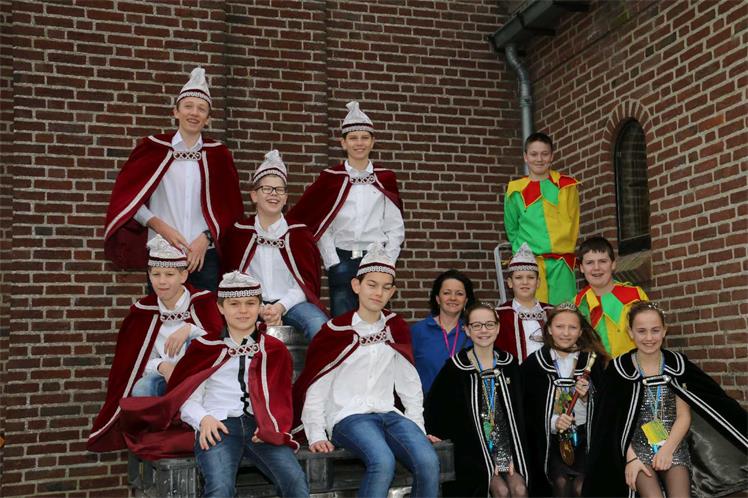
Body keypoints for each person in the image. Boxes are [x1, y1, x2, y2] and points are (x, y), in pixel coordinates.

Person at [120, 271, 309, 497]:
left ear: (260, 306)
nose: (243, 310)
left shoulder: (274, 350)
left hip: (260, 428)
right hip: (218, 425)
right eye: (234, 304)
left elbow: (282, 397)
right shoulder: (205, 348)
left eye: (250, 303)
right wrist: (203, 419)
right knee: (220, 488)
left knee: (295, 481)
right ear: (220, 307)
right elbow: (186, 398)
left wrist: (272, 425)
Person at [293, 243, 440, 498]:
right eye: (372, 285)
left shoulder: (395, 328)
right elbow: (317, 385)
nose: (378, 292)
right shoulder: (334, 331)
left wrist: (418, 427)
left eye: (385, 287)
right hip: (349, 417)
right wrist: (316, 433)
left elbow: (408, 383)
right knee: (382, 461)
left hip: (389, 413)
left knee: (428, 461)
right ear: (356, 286)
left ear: (392, 291)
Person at [583, 301, 748, 497]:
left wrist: (667, 450)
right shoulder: (619, 370)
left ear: (664, 331)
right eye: (641, 331)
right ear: (631, 333)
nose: (649, 338)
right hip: (635, 449)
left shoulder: (676, 365)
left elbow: (684, 416)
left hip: (672, 445)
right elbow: (610, 425)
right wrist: (631, 458)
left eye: (655, 330)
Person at [103, 66, 244, 292]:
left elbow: (230, 209)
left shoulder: (219, 155)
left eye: (201, 109)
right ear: (176, 112)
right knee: (161, 313)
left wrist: (206, 238)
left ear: (208, 118)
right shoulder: (152, 148)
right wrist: (158, 225)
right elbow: (129, 199)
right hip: (162, 254)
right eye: (188, 106)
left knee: (206, 314)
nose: (194, 113)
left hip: (203, 256)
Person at [87, 235, 223, 453]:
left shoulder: (203, 302)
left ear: (183, 275)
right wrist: (162, 366)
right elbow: (137, 362)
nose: (162, 281)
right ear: (149, 276)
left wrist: (189, 329)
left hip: (199, 378)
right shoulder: (142, 311)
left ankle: (193, 426)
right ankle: (157, 439)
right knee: (142, 387)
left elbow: (217, 344)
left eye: (169, 274)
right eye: (156, 274)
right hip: (165, 379)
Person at [288, 101, 404, 316]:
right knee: (343, 320)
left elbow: (395, 227)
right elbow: (322, 223)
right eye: (353, 138)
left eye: (364, 137)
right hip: (341, 258)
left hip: (376, 257)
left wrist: (387, 259)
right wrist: (332, 261)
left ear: (372, 142)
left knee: (375, 319)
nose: (359, 143)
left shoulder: (385, 178)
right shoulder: (331, 179)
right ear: (343, 143)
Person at [220, 149, 328, 339]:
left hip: (293, 304)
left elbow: (305, 284)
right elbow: (234, 280)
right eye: (267, 189)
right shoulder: (239, 233)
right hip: (249, 303)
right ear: (254, 195)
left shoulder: (299, 234)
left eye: (279, 190)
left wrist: (280, 307)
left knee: (318, 324)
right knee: (220, 330)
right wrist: (258, 306)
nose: (274, 194)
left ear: (285, 198)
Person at [426, 303, 530, 497]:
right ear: (466, 329)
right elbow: (437, 410)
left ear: (498, 328)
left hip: (508, 448)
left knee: (519, 489)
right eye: (476, 325)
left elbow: (523, 411)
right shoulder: (456, 368)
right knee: (500, 490)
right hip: (473, 453)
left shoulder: (509, 364)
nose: (484, 330)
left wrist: (505, 454)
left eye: (489, 324)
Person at [520, 303, 608, 497]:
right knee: (560, 483)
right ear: (550, 329)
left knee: (581, 487)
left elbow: (605, 406)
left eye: (572, 327)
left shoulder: (591, 361)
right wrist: (553, 422)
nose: (566, 333)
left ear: (580, 332)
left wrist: (587, 397)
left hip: (584, 438)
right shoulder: (534, 364)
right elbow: (528, 409)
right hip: (550, 441)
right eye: (560, 327)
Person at [503, 132, 579, 305]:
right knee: (532, 313)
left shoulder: (567, 186)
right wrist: (524, 253)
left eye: (544, 154)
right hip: (531, 264)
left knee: (564, 312)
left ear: (552, 156)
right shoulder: (515, 190)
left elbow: (574, 223)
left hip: (561, 262)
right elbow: (511, 228)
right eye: (534, 154)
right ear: (525, 157)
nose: (539, 159)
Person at [574, 236, 648, 357]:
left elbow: (649, 335)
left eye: (603, 261)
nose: (596, 268)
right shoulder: (577, 304)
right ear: (581, 268)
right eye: (589, 263)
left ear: (613, 264)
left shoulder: (635, 295)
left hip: (632, 365)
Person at [411, 269, 476, 394]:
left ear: (466, 300)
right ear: (437, 299)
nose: (453, 298)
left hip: (465, 403)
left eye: (459, 294)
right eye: (447, 293)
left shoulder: (474, 332)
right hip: (427, 404)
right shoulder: (418, 331)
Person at [496, 243, 554, 364]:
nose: (525, 282)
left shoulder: (552, 312)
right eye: (518, 277)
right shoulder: (500, 315)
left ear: (538, 282)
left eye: (530, 277)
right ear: (510, 282)